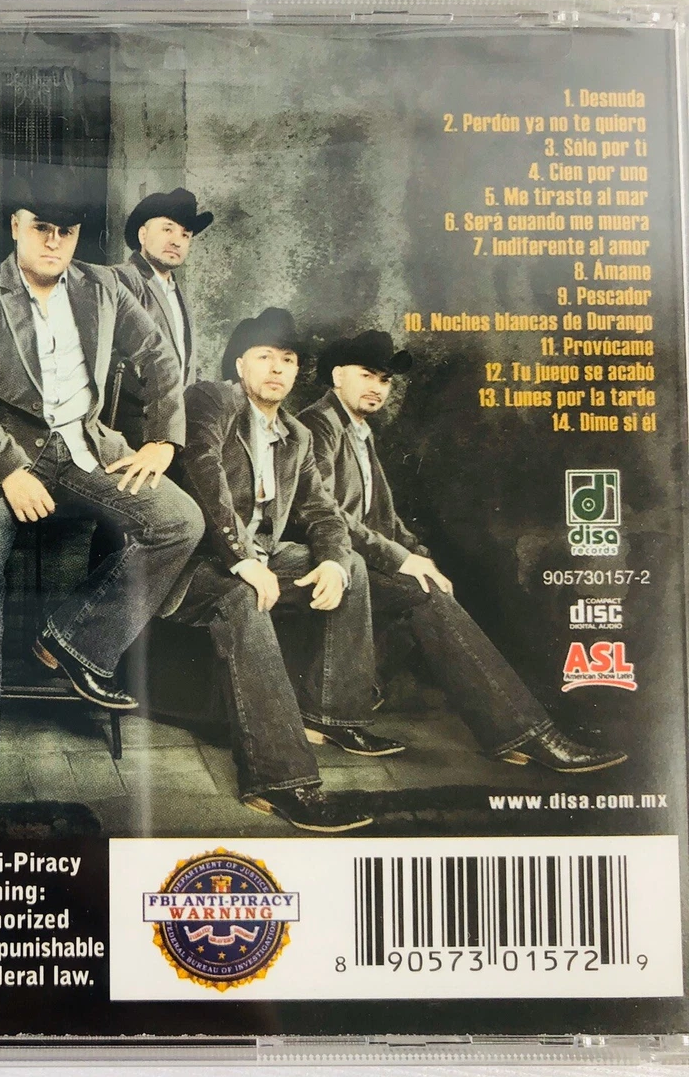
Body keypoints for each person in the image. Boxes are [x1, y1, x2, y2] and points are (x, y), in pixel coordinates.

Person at [0, 165, 205, 829]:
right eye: (41, 228)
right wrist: (8, 471)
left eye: (66, 232)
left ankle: (74, 643)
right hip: (0, 457)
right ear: (16, 227)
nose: (54, 243)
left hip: (85, 448)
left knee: (180, 522)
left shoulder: (103, 287)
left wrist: (163, 441)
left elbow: (161, 359)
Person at [297, 330, 627, 773]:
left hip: (358, 558)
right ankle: (528, 735)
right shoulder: (318, 424)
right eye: (367, 375)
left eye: (385, 380)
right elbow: (328, 513)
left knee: (429, 586)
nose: (377, 387)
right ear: (338, 375)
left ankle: (508, 732)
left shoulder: (359, 431)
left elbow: (383, 517)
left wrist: (420, 556)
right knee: (424, 595)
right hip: (324, 561)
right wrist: (402, 560)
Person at [166, 308, 389, 832]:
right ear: (240, 363)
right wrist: (243, 559)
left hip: (259, 558)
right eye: (264, 356)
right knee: (244, 596)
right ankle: (280, 781)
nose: (276, 369)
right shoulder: (212, 400)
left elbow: (321, 512)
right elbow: (204, 475)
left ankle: (329, 715)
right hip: (192, 563)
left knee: (352, 566)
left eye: (287, 360)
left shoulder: (296, 434)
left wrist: (333, 560)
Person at [111, 188, 213, 448]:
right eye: (168, 229)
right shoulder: (122, 279)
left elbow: (186, 365)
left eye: (185, 235)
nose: (177, 241)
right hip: (133, 431)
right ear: (143, 235)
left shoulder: (177, 294)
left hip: (175, 430)